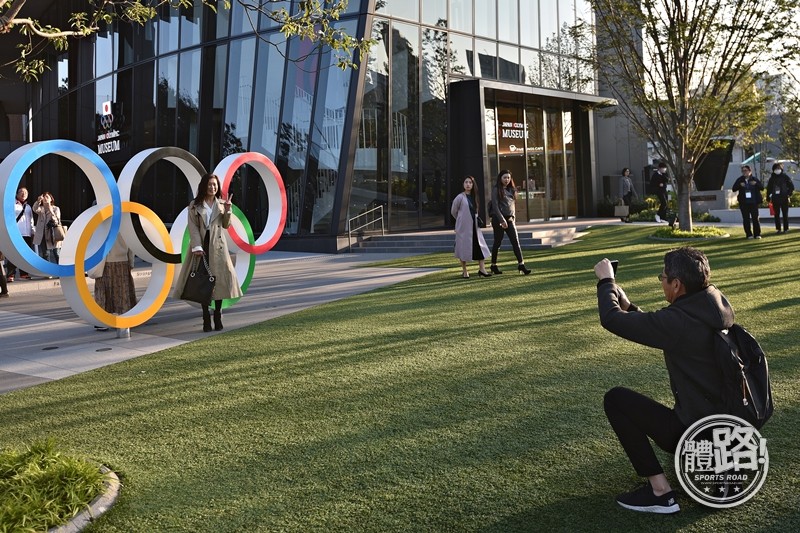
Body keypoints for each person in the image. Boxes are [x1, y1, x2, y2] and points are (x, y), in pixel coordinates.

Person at [594, 247, 735, 514]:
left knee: (617, 399)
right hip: (728, 433)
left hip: (695, 436)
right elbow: (670, 329)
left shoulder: (679, 323)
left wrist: (606, 282)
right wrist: (630, 307)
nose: (661, 281)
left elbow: (611, 320)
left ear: (677, 284)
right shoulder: (716, 304)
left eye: (663, 276)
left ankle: (660, 493)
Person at [172, 173, 242, 332]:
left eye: (215, 184)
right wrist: (197, 246)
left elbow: (226, 225)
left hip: (218, 247)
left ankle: (217, 314)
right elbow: (193, 228)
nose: (213, 187)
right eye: (210, 184)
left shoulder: (223, 204)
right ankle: (205, 317)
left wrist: (228, 210)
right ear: (204, 186)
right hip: (202, 246)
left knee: (220, 281)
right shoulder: (194, 205)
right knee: (202, 281)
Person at [91, 234, 137, 336]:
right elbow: (131, 245)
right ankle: (125, 317)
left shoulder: (103, 224)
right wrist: (131, 262)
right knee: (122, 290)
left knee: (103, 289)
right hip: (122, 261)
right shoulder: (124, 223)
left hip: (106, 262)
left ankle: (101, 320)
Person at [488, 170, 530, 275]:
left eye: (508, 178)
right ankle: (493, 265)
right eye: (504, 177)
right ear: (500, 178)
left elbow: (512, 206)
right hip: (498, 219)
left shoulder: (512, 189)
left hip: (510, 219)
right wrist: (502, 220)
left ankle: (521, 264)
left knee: (515, 242)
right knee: (497, 242)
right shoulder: (496, 189)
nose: (506, 180)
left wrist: (513, 218)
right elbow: (495, 206)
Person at [451, 175, 491, 279]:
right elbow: (453, 211)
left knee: (479, 247)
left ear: (473, 185)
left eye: (470, 182)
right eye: (466, 182)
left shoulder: (475, 197)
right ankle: (465, 271)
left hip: (475, 227)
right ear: (463, 184)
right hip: (463, 228)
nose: (468, 184)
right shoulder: (460, 197)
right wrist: (460, 220)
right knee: (462, 248)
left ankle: (482, 269)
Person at [6, 187, 34, 281]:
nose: (23, 194)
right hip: (16, 233)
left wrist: (32, 231)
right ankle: (11, 274)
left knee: (25, 254)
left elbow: (31, 220)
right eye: (21, 192)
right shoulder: (12, 205)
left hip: (27, 234)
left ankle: (24, 273)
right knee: (13, 254)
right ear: (17, 194)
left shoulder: (28, 207)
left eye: (26, 192)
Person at [731, 165, 764, 239]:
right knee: (746, 219)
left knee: (755, 218)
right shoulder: (740, 180)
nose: (744, 172)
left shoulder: (754, 179)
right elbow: (734, 189)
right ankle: (749, 234)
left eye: (745, 170)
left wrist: (756, 184)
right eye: (743, 171)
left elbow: (762, 187)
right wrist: (739, 185)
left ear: (750, 171)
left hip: (754, 202)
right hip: (744, 203)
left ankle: (757, 234)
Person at [33, 192, 63, 266]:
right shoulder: (41, 209)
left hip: (53, 234)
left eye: (47, 197)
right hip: (43, 234)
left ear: (51, 199)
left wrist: (51, 211)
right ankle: (47, 272)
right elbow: (35, 209)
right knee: (45, 254)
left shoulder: (56, 208)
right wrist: (38, 201)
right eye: (44, 197)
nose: (45, 198)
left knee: (57, 253)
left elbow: (57, 220)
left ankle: (61, 270)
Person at [766, 162, 795, 234]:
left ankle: (786, 229)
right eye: (776, 168)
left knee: (785, 214)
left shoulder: (785, 177)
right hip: (775, 199)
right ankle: (778, 229)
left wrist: (788, 194)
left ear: (781, 169)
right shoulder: (772, 178)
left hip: (784, 198)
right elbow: (769, 189)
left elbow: (791, 187)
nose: (777, 170)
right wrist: (768, 198)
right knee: (776, 215)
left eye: (779, 168)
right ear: (773, 170)